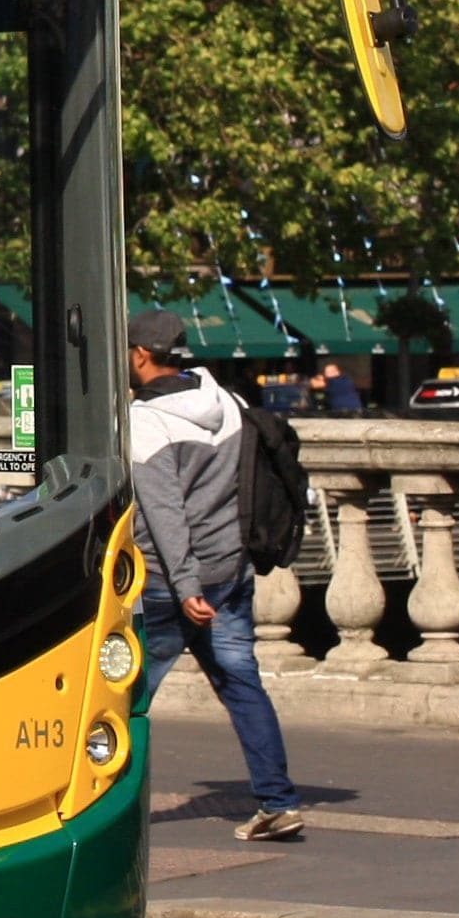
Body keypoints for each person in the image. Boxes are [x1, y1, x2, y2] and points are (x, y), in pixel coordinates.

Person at [126, 307, 304, 841]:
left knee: (126, 697)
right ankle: (278, 801)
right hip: (230, 570)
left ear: (139, 355)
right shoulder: (225, 400)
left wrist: (183, 589)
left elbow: (164, 515)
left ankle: (106, 813)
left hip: (167, 583)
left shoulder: (147, 422)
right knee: (242, 683)